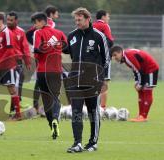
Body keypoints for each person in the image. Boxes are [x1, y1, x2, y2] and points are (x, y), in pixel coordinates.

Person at [65, 8, 110, 153]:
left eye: (80, 20)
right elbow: (73, 56)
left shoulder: (99, 36)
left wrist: (102, 78)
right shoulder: (72, 36)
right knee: (76, 111)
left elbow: (106, 59)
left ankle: (93, 142)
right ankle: (77, 143)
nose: (77, 23)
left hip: (92, 81)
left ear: (88, 18)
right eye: (76, 20)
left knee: (92, 112)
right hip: (75, 80)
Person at [31, 12, 67, 139]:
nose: (34, 26)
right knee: (56, 97)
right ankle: (56, 119)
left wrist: (46, 47)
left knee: (46, 100)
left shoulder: (39, 33)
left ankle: (52, 126)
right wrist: (55, 47)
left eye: (35, 23)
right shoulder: (59, 33)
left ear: (41, 21)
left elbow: (37, 49)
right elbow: (67, 48)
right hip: (56, 71)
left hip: (42, 71)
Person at [111, 46, 159, 122]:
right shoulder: (126, 58)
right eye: (112, 56)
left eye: (115, 55)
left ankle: (144, 116)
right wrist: (137, 82)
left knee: (147, 90)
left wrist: (139, 84)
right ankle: (140, 115)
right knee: (140, 90)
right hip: (144, 71)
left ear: (120, 52)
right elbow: (135, 70)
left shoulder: (128, 56)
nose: (114, 58)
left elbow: (138, 70)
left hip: (151, 68)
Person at [6, 11, 31, 114]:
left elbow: (25, 48)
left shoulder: (21, 32)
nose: (9, 22)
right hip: (6, 61)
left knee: (18, 84)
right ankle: (14, 107)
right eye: (7, 20)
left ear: (16, 21)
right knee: (11, 85)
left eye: (11, 20)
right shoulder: (4, 31)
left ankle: (15, 107)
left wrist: (28, 62)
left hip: (18, 61)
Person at [93, 10, 114, 109]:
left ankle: (91, 106)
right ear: (103, 17)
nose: (108, 18)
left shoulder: (91, 26)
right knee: (104, 83)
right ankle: (103, 108)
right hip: (103, 58)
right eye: (108, 16)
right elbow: (110, 42)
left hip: (92, 59)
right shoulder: (104, 26)